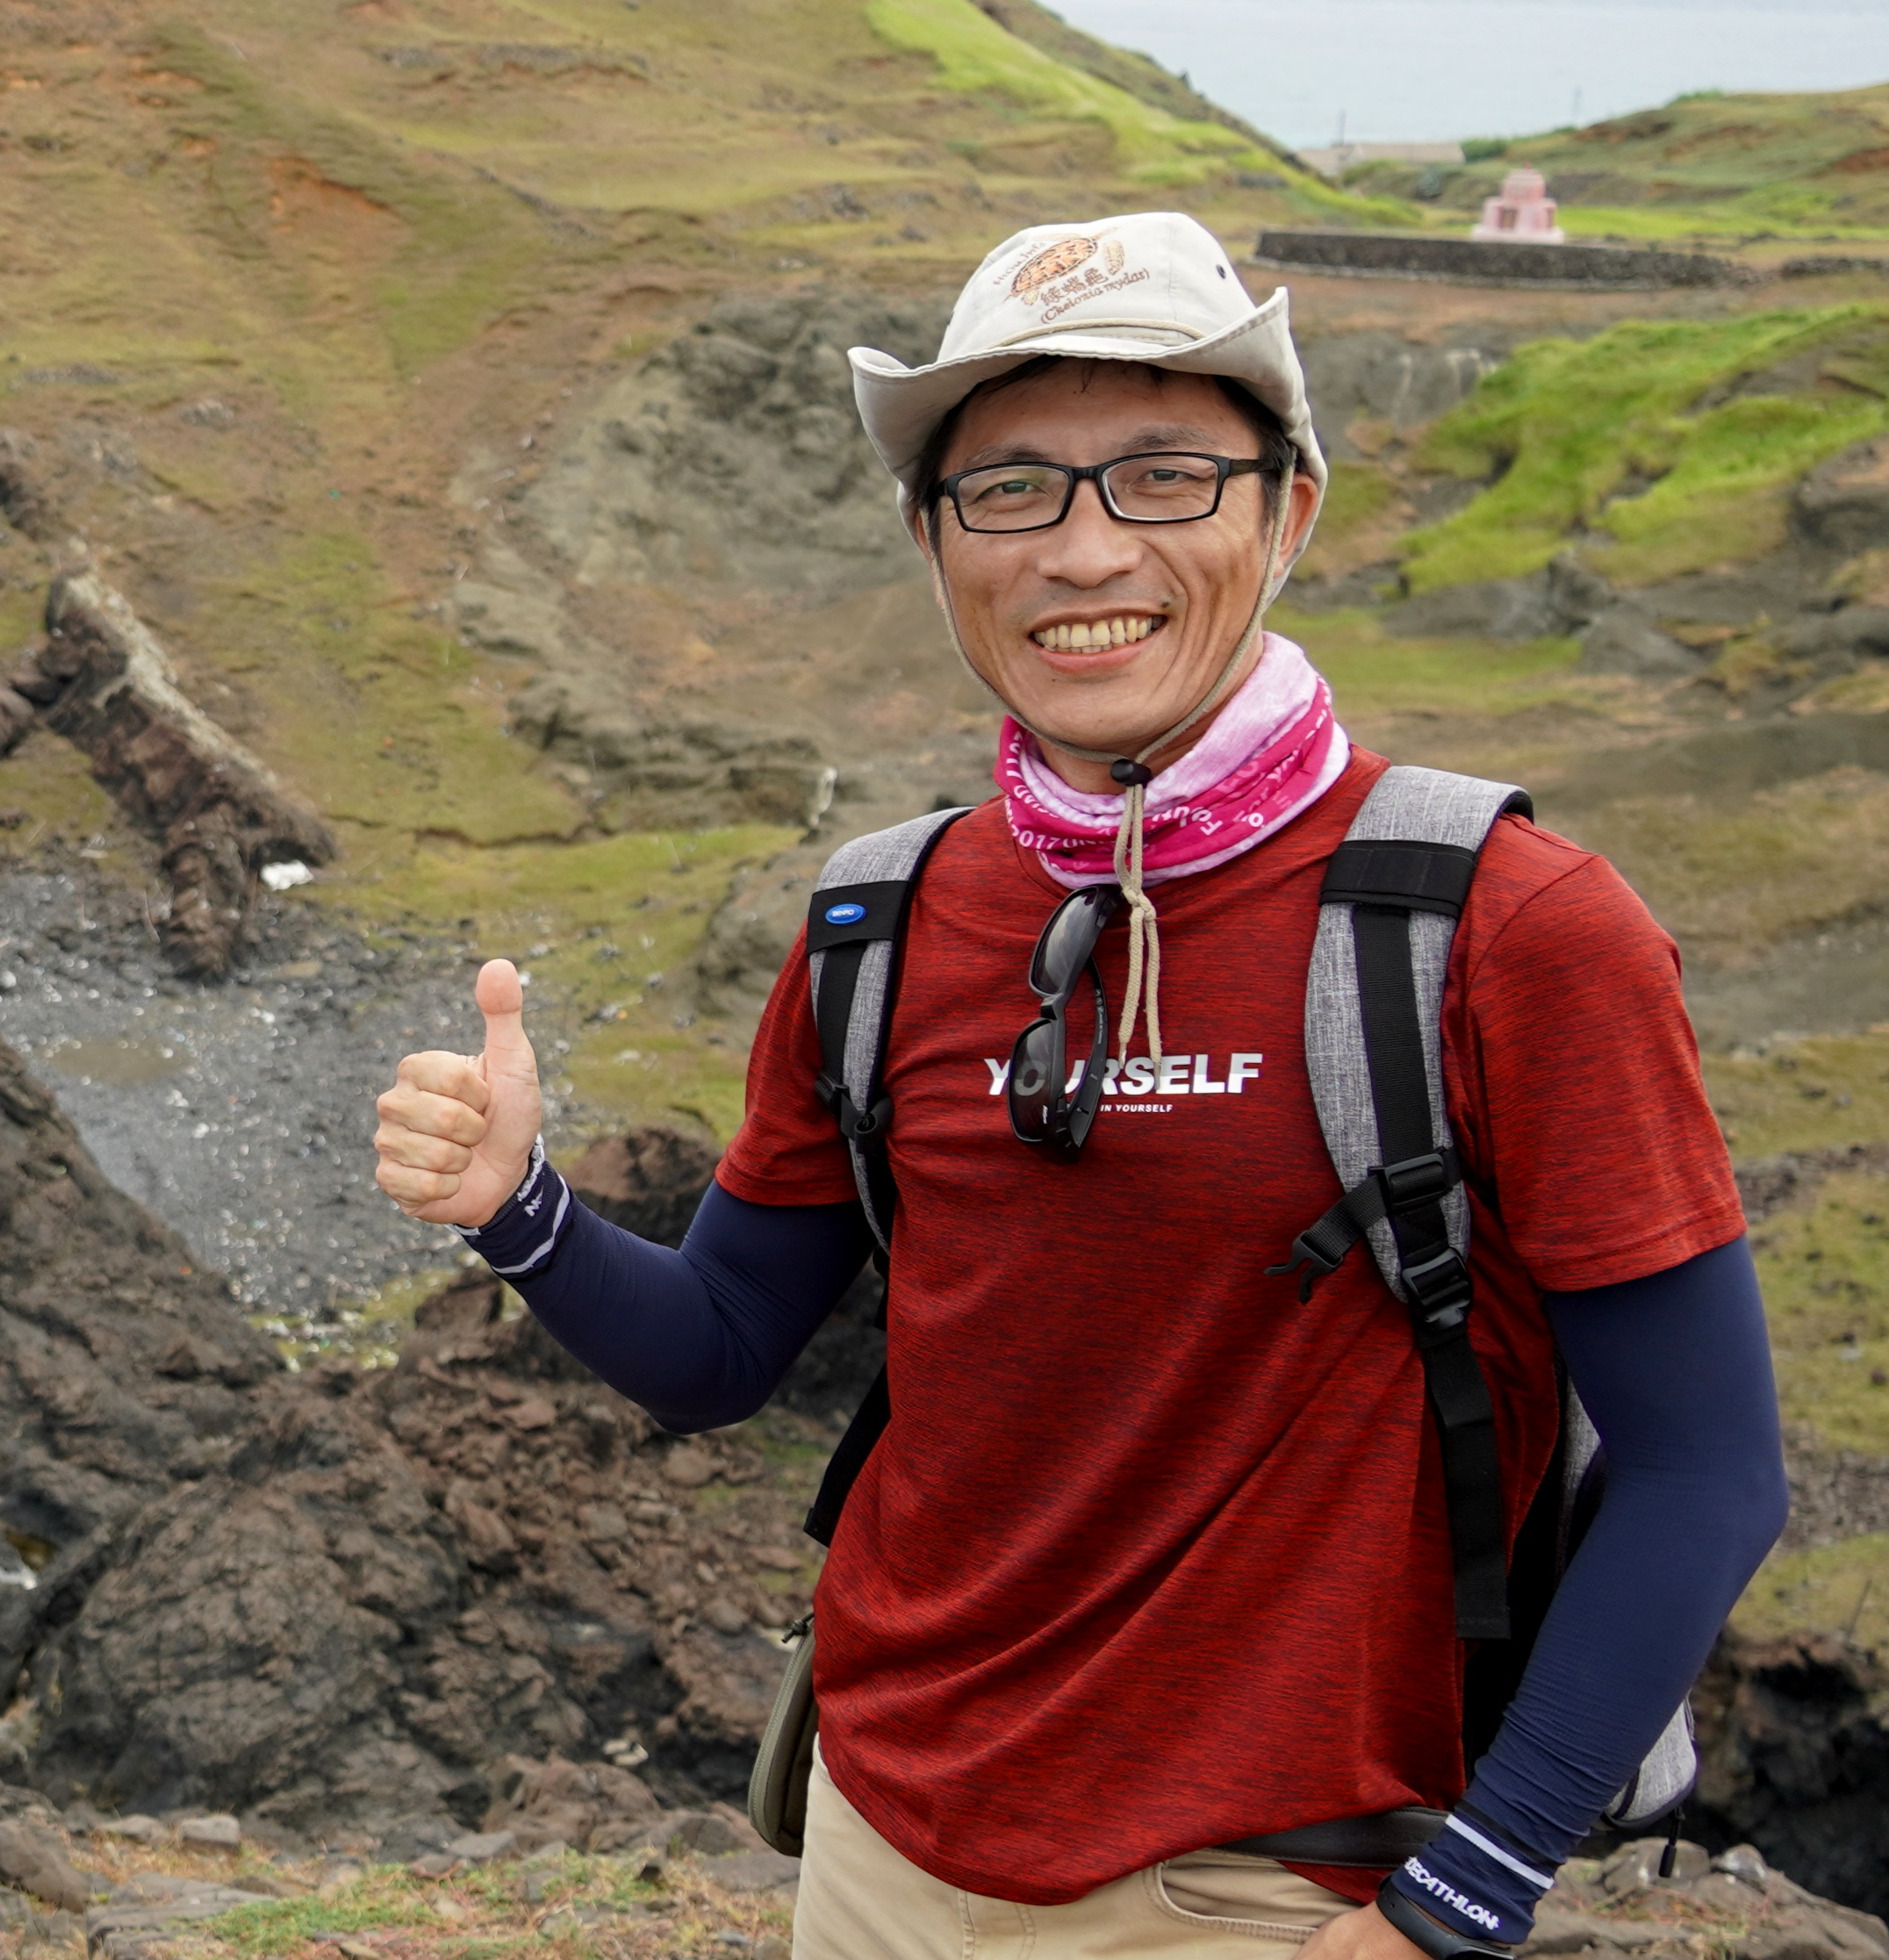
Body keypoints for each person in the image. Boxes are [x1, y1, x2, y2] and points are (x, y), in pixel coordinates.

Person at [371, 212, 1790, 1960]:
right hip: (875, 1852)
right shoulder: (877, 920)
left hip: (1268, 1887)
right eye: (1011, 490)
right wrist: (516, 1207)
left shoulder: (1508, 927)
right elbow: (725, 1341)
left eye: (1164, 476)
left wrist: (1456, 1899)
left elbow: (1706, 1466)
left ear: (1287, 511)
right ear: (930, 537)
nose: (1081, 547)